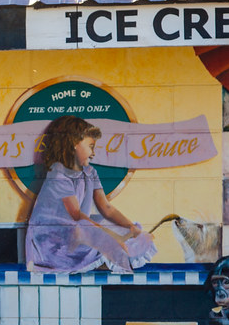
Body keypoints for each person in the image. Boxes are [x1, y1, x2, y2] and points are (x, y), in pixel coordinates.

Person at [25, 115, 156, 273]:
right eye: (91, 146)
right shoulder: (58, 174)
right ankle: (102, 258)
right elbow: (77, 216)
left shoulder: (90, 172)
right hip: (56, 240)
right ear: (74, 144)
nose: (93, 153)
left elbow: (106, 207)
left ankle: (112, 253)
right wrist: (111, 240)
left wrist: (130, 227)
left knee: (107, 225)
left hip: (78, 230)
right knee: (91, 231)